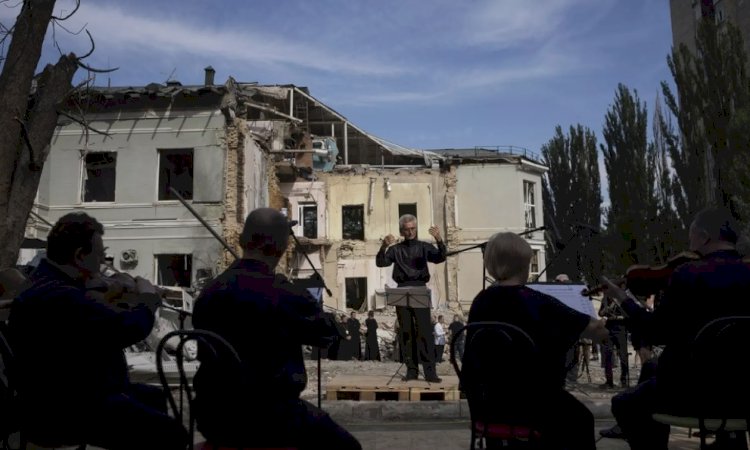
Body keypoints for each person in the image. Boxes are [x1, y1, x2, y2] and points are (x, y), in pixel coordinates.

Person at [7, 212, 188, 450]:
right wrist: (147, 297)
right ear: (80, 255)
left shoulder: (42, 281)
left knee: (153, 396)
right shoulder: (62, 296)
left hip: (61, 393)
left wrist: (110, 294)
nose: (103, 262)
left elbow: (87, 322)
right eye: (100, 255)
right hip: (70, 407)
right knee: (174, 435)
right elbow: (128, 329)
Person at [192, 208, 360, 449]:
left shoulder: (209, 293)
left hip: (213, 414)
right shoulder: (284, 294)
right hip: (271, 416)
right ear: (282, 248)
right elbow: (328, 335)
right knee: (347, 447)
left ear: (241, 241)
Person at [605, 206, 750, 450]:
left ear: (704, 237)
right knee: (653, 369)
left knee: (624, 403)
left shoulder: (688, 274)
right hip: (745, 394)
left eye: (692, 235)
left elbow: (656, 332)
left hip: (692, 395)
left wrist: (624, 299)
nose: (689, 242)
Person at [467, 232, 608, 450]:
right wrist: (605, 320)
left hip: (487, 404)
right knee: (582, 419)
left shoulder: (480, 301)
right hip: (532, 406)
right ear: (525, 263)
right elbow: (596, 331)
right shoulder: (536, 301)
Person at [376, 214, 446, 383]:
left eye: (413, 228)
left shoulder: (424, 247)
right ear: (402, 230)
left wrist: (439, 240)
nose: (410, 232)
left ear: (416, 228)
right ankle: (411, 371)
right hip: (402, 290)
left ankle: (430, 372)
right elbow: (381, 263)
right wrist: (383, 246)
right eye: (406, 229)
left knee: (425, 333)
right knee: (406, 333)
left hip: (420, 289)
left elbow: (440, 257)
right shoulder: (395, 249)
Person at [598, 293, 630, 389]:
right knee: (607, 354)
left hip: (621, 329)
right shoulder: (605, 299)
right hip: (608, 329)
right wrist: (605, 310)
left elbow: (628, 315)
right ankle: (609, 381)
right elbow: (600, 313)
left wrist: (617, 317)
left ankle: (624, 379)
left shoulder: (622, 299)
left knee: (623, 355)